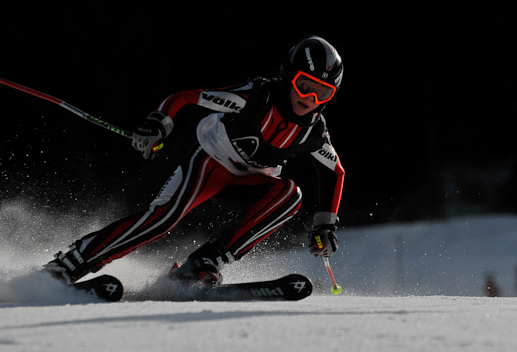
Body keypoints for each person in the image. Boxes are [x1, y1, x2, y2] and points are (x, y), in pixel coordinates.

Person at [42, 35, 345, 286]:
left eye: (323, 93)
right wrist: (158, 123)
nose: (310, 100)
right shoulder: (255, 97)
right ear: (288, 76)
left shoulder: (314, 133)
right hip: (209, 164)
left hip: (249, 181)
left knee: (290, 195)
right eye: (305, 86)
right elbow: (186, 98)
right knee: (162, 219)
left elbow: (335, 172)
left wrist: (325, 225)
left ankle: (205, 261)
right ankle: (74, 261)